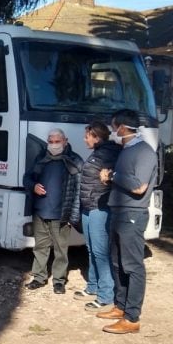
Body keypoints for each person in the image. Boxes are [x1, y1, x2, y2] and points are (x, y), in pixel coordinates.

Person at [97, 109, 158, 334]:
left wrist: (112, 176)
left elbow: (139, 186)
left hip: (132, 214)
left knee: (133, 265)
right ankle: (120, 307)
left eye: (114, 127)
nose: (113, 131)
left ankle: (132, 318)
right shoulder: (127, 149)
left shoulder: (144, 151)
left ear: (122, 127)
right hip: (119, 211)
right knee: (117, 261)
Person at [23, 128, 83, 294]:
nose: (54, 145)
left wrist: (74, 214)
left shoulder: (74, 161)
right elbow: (27, 178)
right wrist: (33, 186)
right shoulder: (41, 157)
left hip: (61, 214)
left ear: (65, 141)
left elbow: (79, 190)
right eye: (51, 141)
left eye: (57, 141)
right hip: (40, 211)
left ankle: (59, 281)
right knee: (40, 247)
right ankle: (39, 277)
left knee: (60, 250)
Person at [75, 121, 122, 311]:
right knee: (91, 249)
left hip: (99, 208)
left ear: (96, 136)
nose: (84, 139)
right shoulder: (98, 152)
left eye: (87, 135)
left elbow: (111, 178)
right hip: (88, 207)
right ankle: (92, 286)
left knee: (101, 252)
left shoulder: (109, 153)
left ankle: (106, 295)